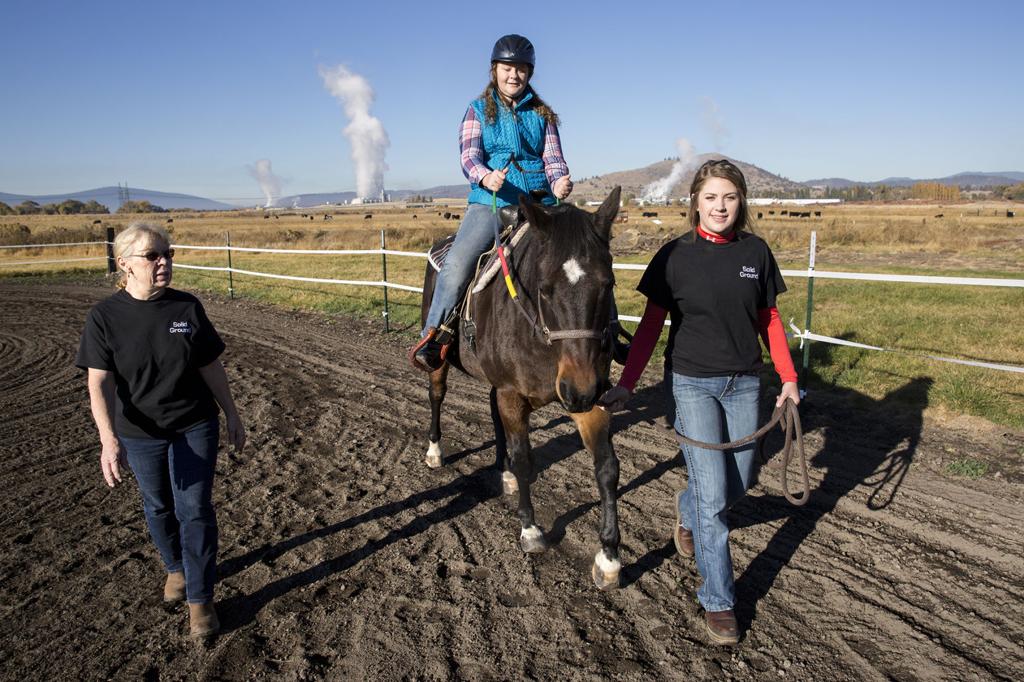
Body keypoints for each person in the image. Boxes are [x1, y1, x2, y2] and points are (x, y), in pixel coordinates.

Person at [600, 159, 799, 645]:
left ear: (741, 201)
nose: (720, 207)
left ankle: (686, 512)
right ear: (694, 201)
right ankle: (719, 600)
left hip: (746, 382)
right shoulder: (674, 256)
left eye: (729, 197)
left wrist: (788, 378)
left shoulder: (756, 252)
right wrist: (628, 383)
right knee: (715, 499)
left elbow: (769, 319)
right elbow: (650, 327)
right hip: (691, 383)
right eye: (711, 197)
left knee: (744, 477)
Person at [75, 222, 245, 640]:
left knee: (196, 510)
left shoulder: (187, 308)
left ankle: (200, 600)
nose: (164, 262)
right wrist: (108, 439)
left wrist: (232, 414)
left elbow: (210, 366)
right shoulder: (104, 317)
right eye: (153, 256)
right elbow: (98, 383)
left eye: (167, 253)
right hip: (139, 432)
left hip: (194, 425)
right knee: (157, 507)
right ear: (125, 264)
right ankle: (175, 567)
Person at [411, 34, 573, 371]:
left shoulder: (543, 114)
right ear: (494, 69)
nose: (514, 75)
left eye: (522, 69)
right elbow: (469, 156)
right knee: (456, 266)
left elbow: (553, 158)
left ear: (530, 73)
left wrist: (559, 179)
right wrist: (485, 176)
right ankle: (433, 337)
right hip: (491, 202)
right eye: (507, 68)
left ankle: (607, 333)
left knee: (583, 255)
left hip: (539, 203)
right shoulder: (477, 110)